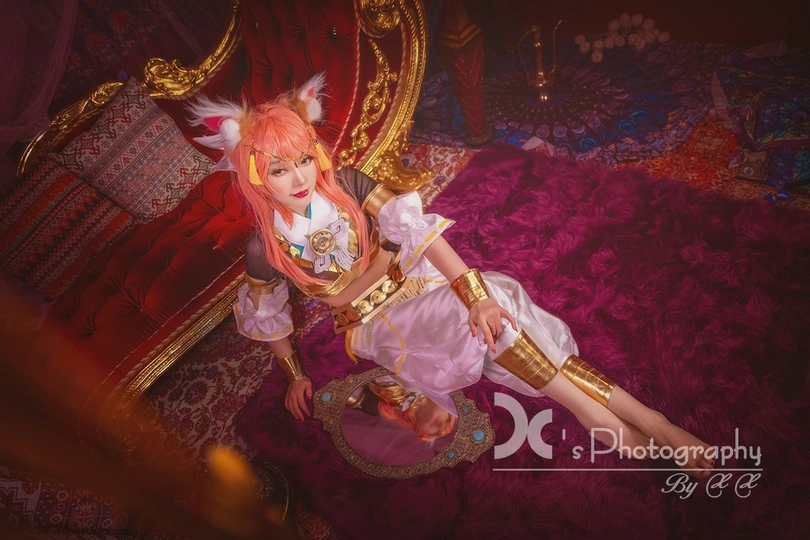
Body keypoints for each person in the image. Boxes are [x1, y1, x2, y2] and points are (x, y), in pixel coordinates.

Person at [189, 75, 716, 478]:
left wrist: (474, 292)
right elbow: (271, 315)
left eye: (304, 160)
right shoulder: (263, 248)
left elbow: (422, 235)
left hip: (419, 277)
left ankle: (640, 423)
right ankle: (628, 421)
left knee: (498, 311)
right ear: (255, 176)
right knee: (483, 317)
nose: (299, 178)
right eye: (279, 169)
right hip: (376, 324)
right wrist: (293, 374)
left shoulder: (347, 183)